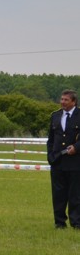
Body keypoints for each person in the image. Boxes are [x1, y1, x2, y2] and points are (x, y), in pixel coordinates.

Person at [47, 89, 80, 228]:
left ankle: (76, 222)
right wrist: (50, 156)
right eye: (61, 99)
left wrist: (77, 147)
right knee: (58, 194)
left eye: (66, 100)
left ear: (73, 102)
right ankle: (59, 223)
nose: (62, 102)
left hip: (75, 162)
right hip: (58, 162)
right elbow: (51, 139)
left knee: (75, 195)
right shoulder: (55, 116)